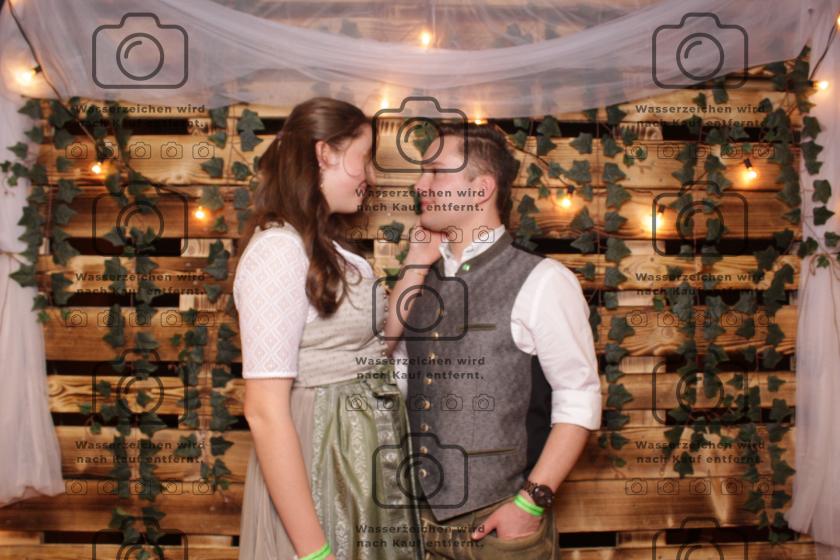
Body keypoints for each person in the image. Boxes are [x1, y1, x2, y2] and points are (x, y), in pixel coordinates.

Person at [395, 122, 603, 559]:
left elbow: (579, 398)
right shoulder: (416, 281)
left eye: (436, 172)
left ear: (481, 189)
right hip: (417, 526)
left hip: (500, 528)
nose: (420, 185)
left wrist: (530, 503)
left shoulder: (544, 280)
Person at [234, 97, 429, 560]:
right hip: (321, 458)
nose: (371, 177)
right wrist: (314, 553)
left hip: (356, 463)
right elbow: (263, 411)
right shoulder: (279, 251)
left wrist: (418, 263)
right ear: (325, 153)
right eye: (365, 158)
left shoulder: (326, 246)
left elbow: (370, 350)